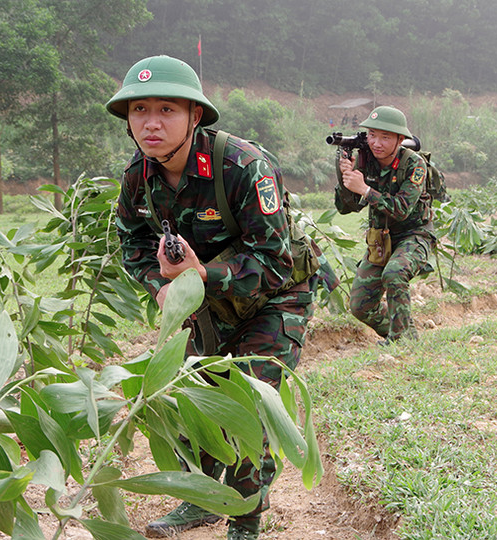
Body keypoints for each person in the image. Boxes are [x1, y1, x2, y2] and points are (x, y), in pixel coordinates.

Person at [107, 55, 323, 540]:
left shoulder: (243, 167)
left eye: (167, 108)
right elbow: (133, 244)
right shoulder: (137, 178)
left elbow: (274, 260)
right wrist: (162, 287)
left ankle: (245, 519)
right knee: (192, 399)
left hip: (274, 298)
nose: (151, 122)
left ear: (195, 115)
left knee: (248, 402)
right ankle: (199, 501)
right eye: (139, 109)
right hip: (202, 301)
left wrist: (200, 275)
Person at [334, 105, 435, 345]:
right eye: (371, 135)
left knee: (395, 273)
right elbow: (345, 207)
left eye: (385, 137)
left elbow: (400, 209)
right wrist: (345, 178)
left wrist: (366, 190)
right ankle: (404, 335)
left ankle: (402, 343)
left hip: (414, 235)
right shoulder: (364, 160)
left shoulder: (414, 165)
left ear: (401, 139)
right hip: (381, 239)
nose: (376, 143)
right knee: (360, 305)